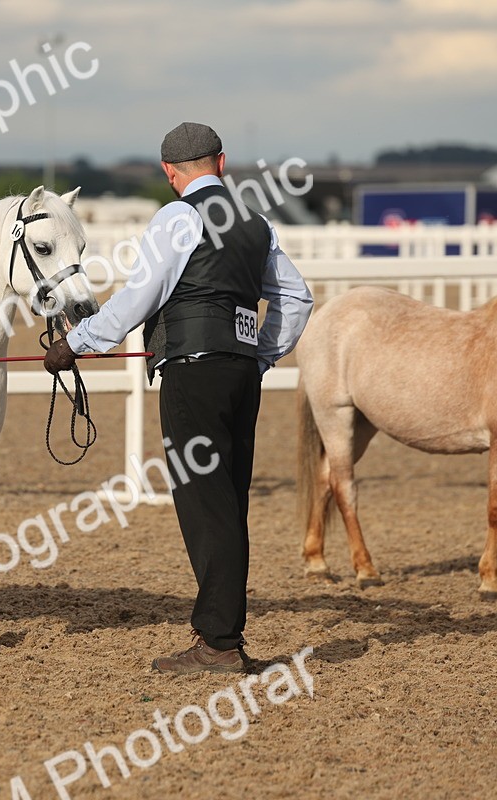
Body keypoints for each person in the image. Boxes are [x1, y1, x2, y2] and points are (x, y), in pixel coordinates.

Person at [43, 122, 314, 674]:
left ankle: (217, 643)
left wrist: (76, 342)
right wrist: (261, 354)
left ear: (170, 173)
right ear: (222, 161)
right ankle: (224, 636)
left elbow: (141, 297)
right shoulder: (256, 224)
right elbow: (296, 297)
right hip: (241, 375)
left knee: (204, 502)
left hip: (193, 374)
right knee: (229, 500)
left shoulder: (177, 217)